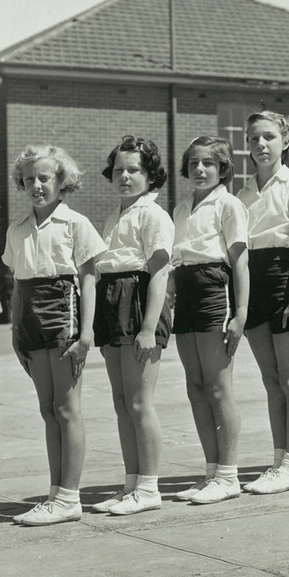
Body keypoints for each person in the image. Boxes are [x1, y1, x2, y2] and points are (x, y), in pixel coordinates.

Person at [3, 145, 106, 526]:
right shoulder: (17, 230)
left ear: (61, 181)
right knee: (47, 411)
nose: (36, 185)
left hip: (64, 317)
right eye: (29, 179)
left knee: (66, 408)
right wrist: (16, 331)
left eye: (44, 178)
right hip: (31, 322)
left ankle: (70, 496)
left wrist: (86, 334)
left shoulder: (76, 224)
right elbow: (17, 284)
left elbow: (89, 280)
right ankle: (55, 492)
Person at [91, 136, 174, 515]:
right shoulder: (114, 216)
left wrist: (147, 328)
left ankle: (150, 487)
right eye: (120, 170)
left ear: (150, 175)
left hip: (139, 304)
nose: (125, 176)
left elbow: (159, 272)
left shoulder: (153, 215)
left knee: (140, 402)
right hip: (112, 304)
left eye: (134, 170)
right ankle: (131, 484)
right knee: (122, 402)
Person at [237, 111, 289, 495]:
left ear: (285, 141)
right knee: (271, 381)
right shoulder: (242, 195)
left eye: (269, 137)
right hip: (254, 284)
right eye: (254, 139)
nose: (261, 145)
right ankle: (279, 459)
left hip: (285, 279)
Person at [170, 136, 249, 504]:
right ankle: (211, 471)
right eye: (192, 163)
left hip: (215, 290)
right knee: (196, 387)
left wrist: (240, 313)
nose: (199, 169)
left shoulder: (229, 205)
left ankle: (229, 475)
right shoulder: (181, 209)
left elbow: (239, 262)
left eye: (208, 163)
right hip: (185, 293)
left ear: (222, 169)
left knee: (218, 387)